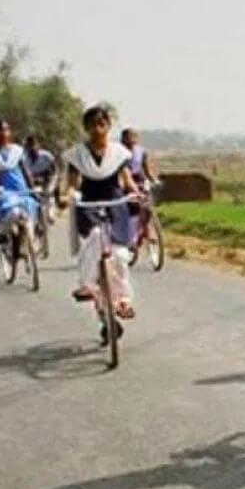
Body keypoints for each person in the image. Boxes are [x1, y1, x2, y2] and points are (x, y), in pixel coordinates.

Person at [56, 105, 143, 332]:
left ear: (108, 126)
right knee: (94, 236)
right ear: (86, 127)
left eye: (102, 124)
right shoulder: (78, 155)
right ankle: (86, 285)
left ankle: (123, 300)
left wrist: (135, 193)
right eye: (93, 124)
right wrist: (68, 196)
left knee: (120, 255)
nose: (98, 128)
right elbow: (73, 184)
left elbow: (126, 180)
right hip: (89, 202)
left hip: (114, 202)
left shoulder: (119, 153)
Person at [0, 120, 41, 247]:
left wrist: (33, 188)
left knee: (30, 210)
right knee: (12, 213)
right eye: (0, 130)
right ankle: (2, 233)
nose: (4, 133)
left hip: (21, 189)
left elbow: (26, 171)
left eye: (6, 130)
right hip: (4, 190)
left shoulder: (17, 151)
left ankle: (31, 243)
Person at [120, 128, 158, 253]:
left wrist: (154, 180)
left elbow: (146, 169)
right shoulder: (118, 153)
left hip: (139, 179)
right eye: (129, 138)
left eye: (134, 137)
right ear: (123, 140)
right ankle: (130, 236)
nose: (132, 141)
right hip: (124, 180)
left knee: (148, 204)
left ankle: (148, 228)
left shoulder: (141, 151)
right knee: (131, 208)